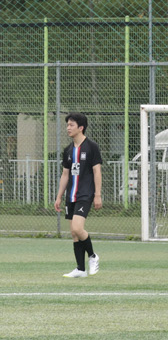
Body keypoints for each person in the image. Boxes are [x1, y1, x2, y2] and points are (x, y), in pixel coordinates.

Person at [56, 112, 104, 278]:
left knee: (78, 228)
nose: (68, 128)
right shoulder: (68, 150)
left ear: (81, 128)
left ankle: (93, 256)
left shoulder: (91, 147)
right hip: (71, 195)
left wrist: (97, 194)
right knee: (74, 233)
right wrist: (59, 196)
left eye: (71, 125)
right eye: (67, 125)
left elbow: (97, 171)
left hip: (85, 194)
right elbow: (65, 174)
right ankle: (80, 269)